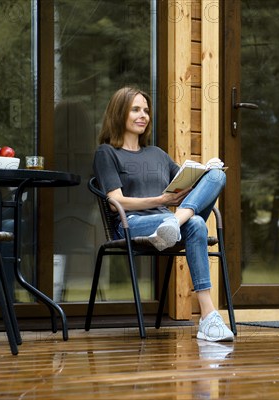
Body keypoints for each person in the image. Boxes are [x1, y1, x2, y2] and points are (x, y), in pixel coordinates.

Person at [92, 87, 234, 342]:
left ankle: (207, 316)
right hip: (130, 224)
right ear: (119, 112)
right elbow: (115, 203)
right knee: (198, 223)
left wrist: (207, 172)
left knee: (217, 177)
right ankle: (208, 317)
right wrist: (162, 200)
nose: (143, 115)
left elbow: (189, 184)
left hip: (168, 225)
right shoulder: (107, 153)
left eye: (146, 110)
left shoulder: (157, 153)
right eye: (136, 109)